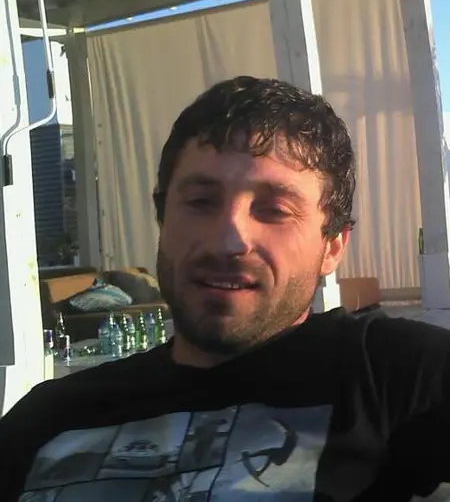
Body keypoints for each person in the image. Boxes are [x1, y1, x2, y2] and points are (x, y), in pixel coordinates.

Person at [1, 75, 449, 502]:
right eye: (201, 202)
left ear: (332, 246)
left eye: (274, 210)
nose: (227, 241)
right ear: (163, 218)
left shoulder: (390, 374)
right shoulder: (48, 416)